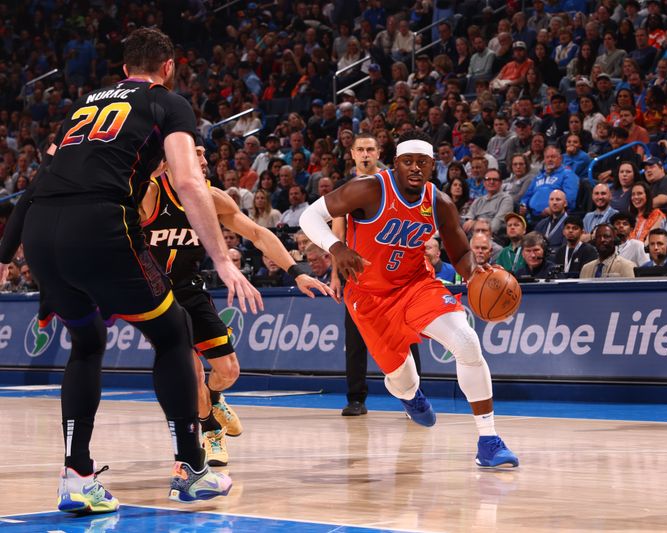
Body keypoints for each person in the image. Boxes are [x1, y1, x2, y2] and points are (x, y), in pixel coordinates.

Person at [0, 28, 263, 510]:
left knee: (87, 343)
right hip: (99, 223)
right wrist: (223, 260)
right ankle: (191, 468)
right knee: (173, 332)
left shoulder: (84, 107)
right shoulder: (168, 101)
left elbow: (36, 186)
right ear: (168, 67)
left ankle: (77, 475)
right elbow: (187, 179)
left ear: (124, 70)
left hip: (41, 230)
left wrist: (3, 257)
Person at [299, 131, 518, 468]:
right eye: (408, 162)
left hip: (416, 285)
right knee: (403, 380)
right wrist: (337, 248)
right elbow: (308, 217)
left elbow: (459, 251)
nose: (416, 168)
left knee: (467, 341)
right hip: (369, 298)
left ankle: (489, 441)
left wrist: (474, 273)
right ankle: (410, 396)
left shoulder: (439, 202)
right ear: (396, 163)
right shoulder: (370, 188)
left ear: (432, 165)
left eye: (423, 163)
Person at [141, 141, 333, 466]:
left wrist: (296, 271)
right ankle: (211, 432)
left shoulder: (212, 198)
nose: (203, 158)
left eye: (204, 152)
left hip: (190, 288)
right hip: (156, 296)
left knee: (228, 371)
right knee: (191, 373)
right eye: (194, 152)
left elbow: (258, 234)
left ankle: (216, 399)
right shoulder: (150, 194)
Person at [331, 132, 422, 418]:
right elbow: (337, 234)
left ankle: (414, 397)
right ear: (353, 154)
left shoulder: (393, 185)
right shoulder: (346, 188)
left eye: (371, 148)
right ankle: (356, 398)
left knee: (405, 336)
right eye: (361, 149)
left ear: (379, 152)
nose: (366, 153)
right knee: (356, 338)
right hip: (357, 275)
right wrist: (335, 274)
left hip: (396, 274)